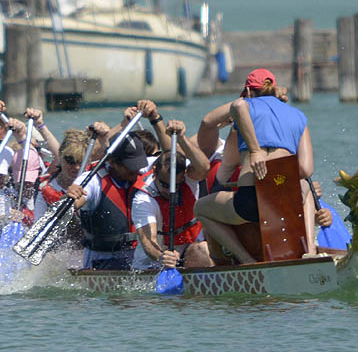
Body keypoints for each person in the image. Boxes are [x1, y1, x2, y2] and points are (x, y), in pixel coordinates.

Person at [194, 68, 330, 264]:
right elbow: (306, 169)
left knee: (200, 208)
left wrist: (255, 156)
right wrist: (277, 179)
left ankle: (247, 260)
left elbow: (224, 168)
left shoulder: (244, 108)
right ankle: (309, 252)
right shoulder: (299, 116)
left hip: (250, 203)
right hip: (287, 200)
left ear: (249, 92)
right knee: (306, 187)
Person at [132, 120, 214, 270]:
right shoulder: (143, 199)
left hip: (188, 251)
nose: (170, 190)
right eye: (164, 184)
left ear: (183, 176)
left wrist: (182, 137)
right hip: (154, 260)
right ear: (155, 172)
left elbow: (204, 167)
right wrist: (162, 256)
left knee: (204, 250)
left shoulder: (188, 178)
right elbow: (148, 241)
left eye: (176, 185)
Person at [66, 126, 148, 270]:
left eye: (137, 165)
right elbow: (75, 201)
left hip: (137, 256)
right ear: (112, 162)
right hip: (102, 259)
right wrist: (72, 197)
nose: (136, 171)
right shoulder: (91, 180)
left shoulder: (143, 173)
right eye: (130, 167)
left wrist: (156, 121)